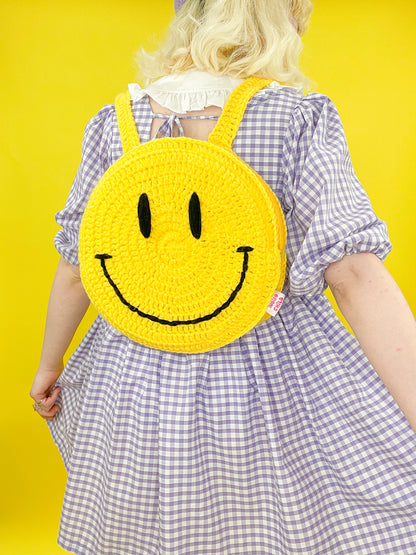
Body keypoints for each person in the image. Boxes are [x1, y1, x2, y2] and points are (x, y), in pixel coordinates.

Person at [31, 0, 416, 553]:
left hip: (136, 382)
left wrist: (51, 365)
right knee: (276, 524)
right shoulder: (293, 118)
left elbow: (79, 266)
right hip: (271, 385)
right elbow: (354, 273)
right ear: (279, 22)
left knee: (151, 530)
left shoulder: (113, 123)